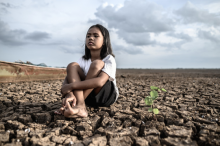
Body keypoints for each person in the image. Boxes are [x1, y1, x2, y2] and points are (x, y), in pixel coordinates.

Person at [55, 24, 119, 118]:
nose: (91, 38)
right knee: (72, 66)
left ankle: (79, 105)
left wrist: (71, 86)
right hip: (87, 98)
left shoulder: (109, 59)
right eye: (88, 36)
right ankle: (77, 106)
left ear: (104, 41)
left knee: (97, 64)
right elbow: (68, 80)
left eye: (95, 36)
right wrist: (69, 94)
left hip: (105, 96)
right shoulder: (83, 60)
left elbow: (100, 82)